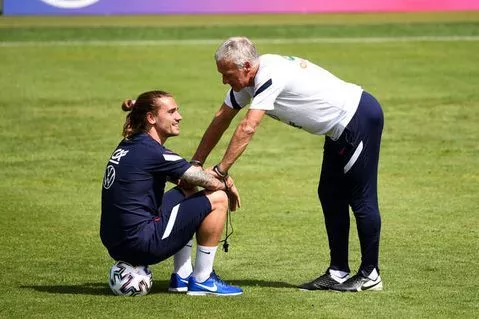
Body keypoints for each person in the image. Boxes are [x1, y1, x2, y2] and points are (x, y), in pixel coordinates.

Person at [190, 37, 384, 292]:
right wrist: (195, 164)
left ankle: (370, 274)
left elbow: (248, 127)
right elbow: (220, 120)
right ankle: (338, 272)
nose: (224, 81)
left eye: (227, 74)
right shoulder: (248, 80)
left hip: (358, 119)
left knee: (361, 199)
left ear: (246, 66)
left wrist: (220, 171)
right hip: (338, 130)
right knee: (329, 195)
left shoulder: (269, 75)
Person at [100, 90, 242, 296]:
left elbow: (188, 179)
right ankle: (203, 279)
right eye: (172, 112)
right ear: (151, 118)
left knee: (188, 189)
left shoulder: (130, 144)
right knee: (218, 198)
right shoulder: (154, 153)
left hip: (117, 243)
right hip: (142, 244)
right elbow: (209, 183)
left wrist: (214, 177)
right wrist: (226, 183)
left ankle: (182, 276)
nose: (179, 117)